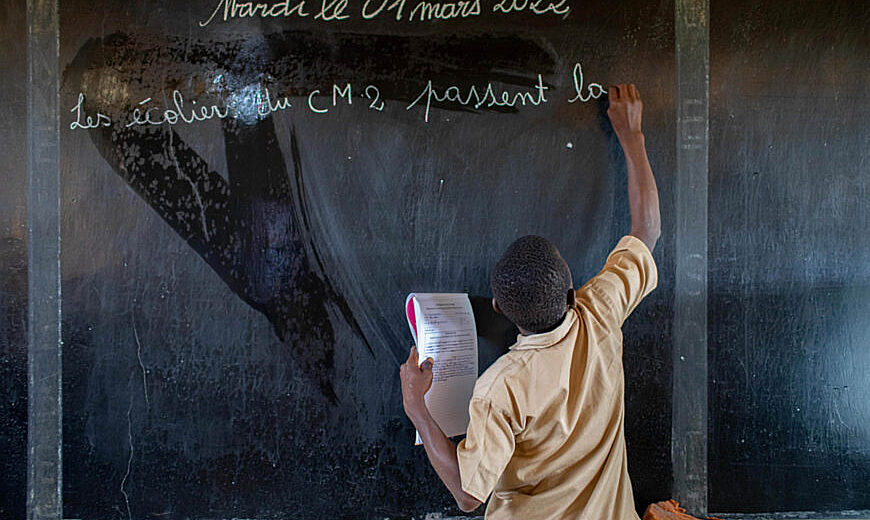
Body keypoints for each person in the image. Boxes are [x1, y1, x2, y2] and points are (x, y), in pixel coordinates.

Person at [400, 83, 660, 519]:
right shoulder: (599, 312)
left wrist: (416, 408)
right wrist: (632, 137)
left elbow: (468, 494)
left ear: (498, 309)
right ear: (571, 289)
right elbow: (646, 231)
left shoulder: (501, 389)